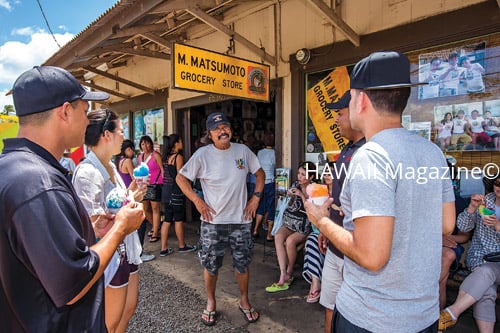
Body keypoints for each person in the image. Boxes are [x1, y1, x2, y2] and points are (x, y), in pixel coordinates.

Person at [305, 51, 456, 332]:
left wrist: (320, 221)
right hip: (423, 316)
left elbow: (372, 256)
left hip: (371, 318)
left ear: (360, 99)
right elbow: (447, 224)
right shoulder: (432, 152)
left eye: (349, 98)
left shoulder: (372, 156)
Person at [0, 66, 144, 332]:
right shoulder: (38, 182)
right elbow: (73, 282)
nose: (88, 121)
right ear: (65, 111)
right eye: (84, 110)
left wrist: (87, 227)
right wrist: (121, 227)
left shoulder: (14, 168)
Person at [176, 112, 265, 326]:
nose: (222, 131)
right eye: (216, 129)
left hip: (241, 221)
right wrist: (197, 201)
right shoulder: (202, 155)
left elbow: (260, 174)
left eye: (225, 126)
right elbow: (181, 178)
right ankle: (211, 301)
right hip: (212, 222)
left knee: (242, 264)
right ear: (210, 134)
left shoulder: (242, 151)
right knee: (211, 265)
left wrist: (255, 199)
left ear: (230, 130)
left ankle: (244, 301)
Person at [73, 108, 146, 333]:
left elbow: (118, 203)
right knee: (109, 323)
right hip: (111, 255)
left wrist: (133, 194)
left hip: (127, 249)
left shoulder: (111, 166)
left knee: (127, 309)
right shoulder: (87, 173)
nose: (124, 136)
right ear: (106, 135)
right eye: (121, 131)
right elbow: (94, 226)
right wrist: (129, 209)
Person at [317, 90, 366, 332]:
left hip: (355, 253)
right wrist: (325, 227)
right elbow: (336, 199)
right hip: (335, 249)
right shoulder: (346, 149)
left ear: (357, 112)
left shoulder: (371, 154)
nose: (335, 119)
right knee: (330, 306)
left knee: (352, 316)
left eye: (340, 113)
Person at [438, 176, 500, 332]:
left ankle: (451, 313)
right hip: (479, 258)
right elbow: (463, 228)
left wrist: (498, 226)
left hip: (496, 264)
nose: (499, 186)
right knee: (487, 291)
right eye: (497, 182)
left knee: (487, 272)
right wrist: (471, 208)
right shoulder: (486, 202)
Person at [265, 161, 316, 293]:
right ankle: (283, 273)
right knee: (277, 236)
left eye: (303, 174)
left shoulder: (314, 189)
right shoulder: (295, 185)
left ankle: (289, 271)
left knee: (290, 242)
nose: (299, 177)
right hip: (290, 221)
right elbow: (291, 204)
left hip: (303, 226)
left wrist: (301, 195)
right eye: (299, 173)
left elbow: (312, 209)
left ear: (311, 177)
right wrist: (290, 196)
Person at [117, 139, 155, 262]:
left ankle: (135, 251)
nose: (132, 152)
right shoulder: (127, 161)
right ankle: (139, 252)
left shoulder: (119, 161)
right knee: (140, 222)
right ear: (126, 149)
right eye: (130, 149)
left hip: (128, 192)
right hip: (133, 193)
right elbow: (135, 177)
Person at [160, 133, 196, 256]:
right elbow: (180, 176)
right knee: (179, 219)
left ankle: (163, 249)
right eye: (180, 141)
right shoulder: (178, 157)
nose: (182, 143)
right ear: (176, 143)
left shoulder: (166, 157)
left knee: (167, 220)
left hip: (165, 192)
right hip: (175, 192)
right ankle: (182, 245)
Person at [302, 164, 333, 304]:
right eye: (326, 173)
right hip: (318, 230)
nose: (327, 176)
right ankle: (315, 283)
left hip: (336, 232)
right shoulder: (319, 190)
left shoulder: (341, 193)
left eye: (331, 173)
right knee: (312, 240)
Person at [138, 135, 164, 242]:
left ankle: (156, 232)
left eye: (147, 143)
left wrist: (163, 183)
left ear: (151, 144)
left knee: (155, 209)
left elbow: (162, 170)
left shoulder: (156, 155)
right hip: (144, 185)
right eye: (143, 144)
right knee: (145, 209)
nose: (145, 146)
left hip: (155, 184)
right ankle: (156, 226)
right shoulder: (140, 157)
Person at [253, 132, 276, 241]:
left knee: (261, 206)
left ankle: (256, 229)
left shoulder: (259, 153)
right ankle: (269, 234)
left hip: (261, 182)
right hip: (271, 182)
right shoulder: (275, 154)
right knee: (271, 207)